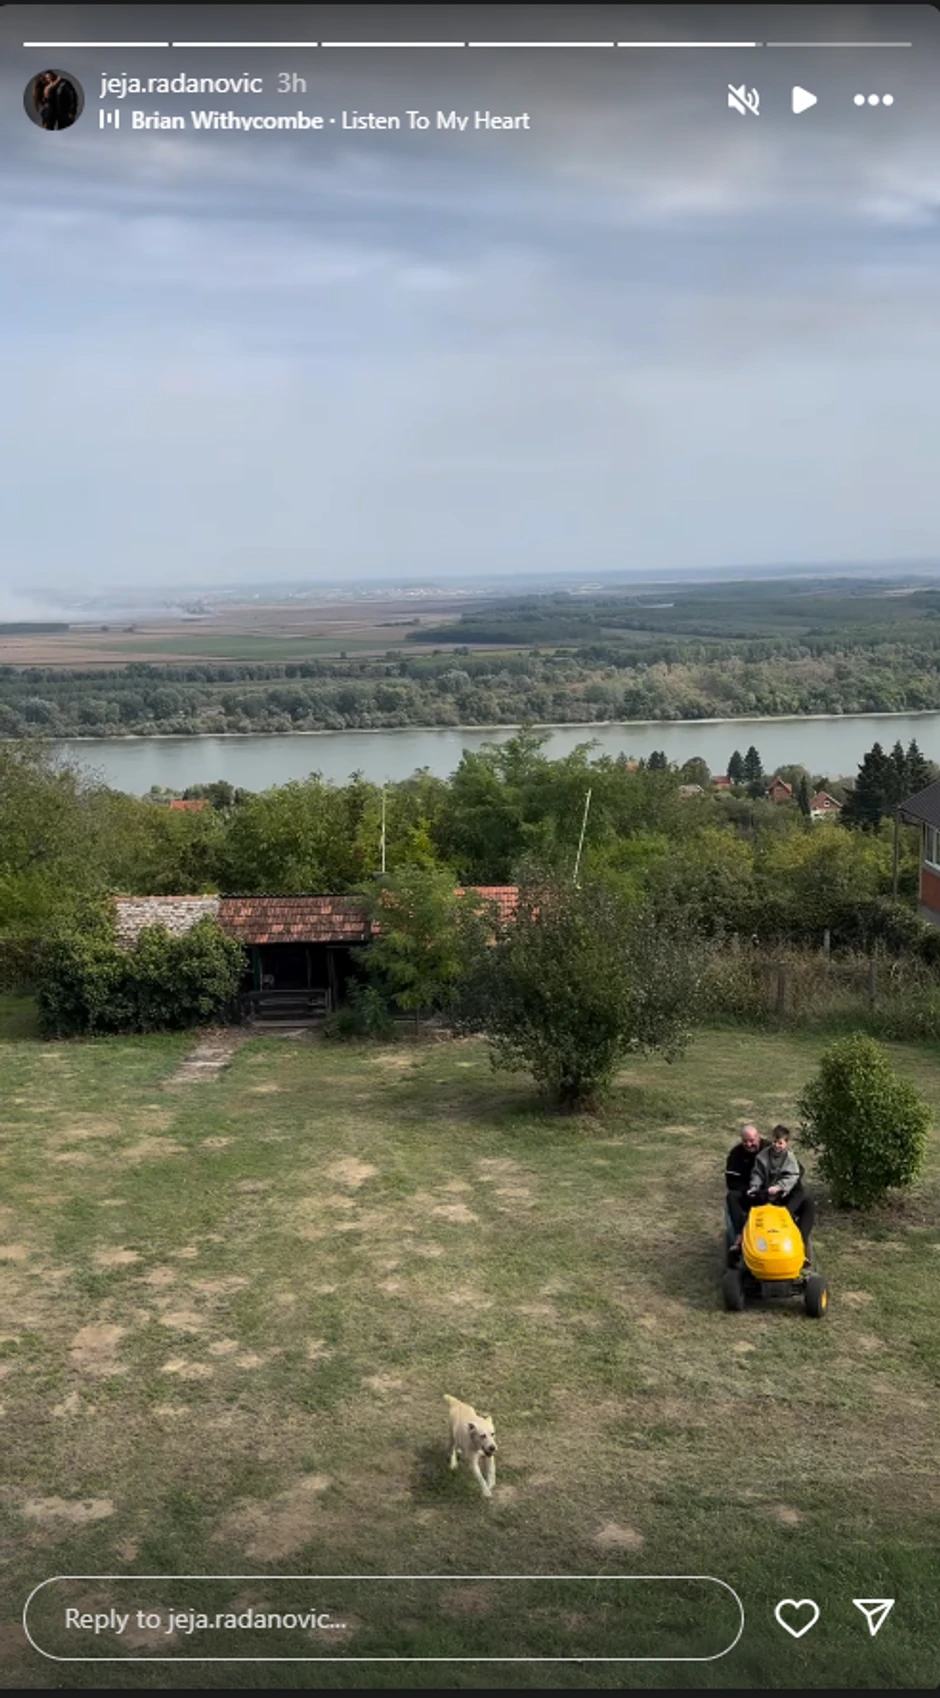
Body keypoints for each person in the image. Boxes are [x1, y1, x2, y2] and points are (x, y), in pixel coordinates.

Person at [747, 1124, 816, 1252]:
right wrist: (755, 1187)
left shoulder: (790, 1158)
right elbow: (757, 1173)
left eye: (780, 1143)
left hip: (784, 1192)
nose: (776, 1145)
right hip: (767, 1192)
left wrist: (781, 1187)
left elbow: (793, 1175)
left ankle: (800, 1243)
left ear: (786, 1144)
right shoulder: (762, 1156)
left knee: (804, 1197)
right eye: (774, 1142)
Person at [725, 1123, 767, 1251]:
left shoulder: (770, 1149)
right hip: (748, 1193)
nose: (748, 1144)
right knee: (732, 1197)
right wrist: (747, 1191)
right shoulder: (736, 1154)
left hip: (768, 1193)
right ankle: (739, 1234)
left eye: (752, 1140)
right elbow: (731, 1181)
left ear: (758, 1137)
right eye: (745, 1141)